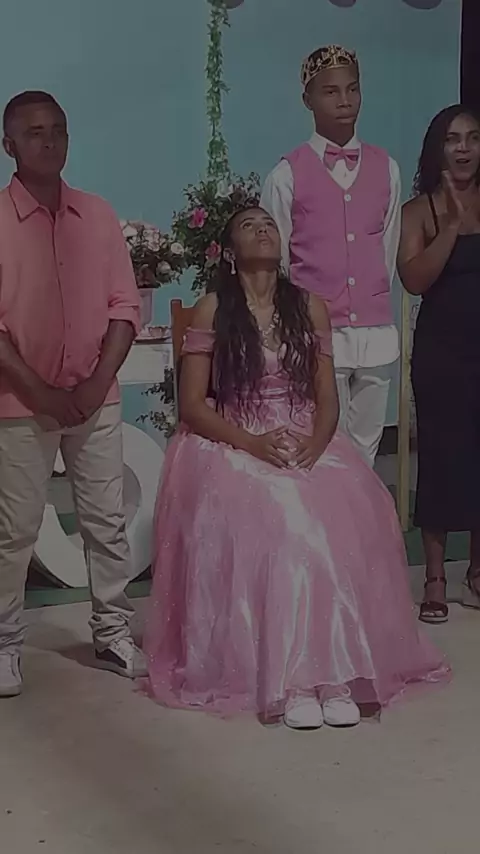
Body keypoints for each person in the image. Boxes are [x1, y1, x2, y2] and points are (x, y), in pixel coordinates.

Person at [144, 206, 448, 729]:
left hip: (302, 430)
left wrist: (316, 443)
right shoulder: (214, 308)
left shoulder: (309, 306)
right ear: (229, 251)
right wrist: (252, 443)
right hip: (234, 435)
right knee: (285, 520)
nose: (263, 229)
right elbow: (193, 405)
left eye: (268, 223)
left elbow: (327, 399)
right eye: (248, 226)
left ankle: (337, 672)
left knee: (343, 514)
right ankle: (293, 678)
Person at [0, 91, 147, 697]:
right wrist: (40, 392)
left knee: (106, 521)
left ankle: (112, 630)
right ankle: (5, 643)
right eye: (35, 132)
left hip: (95, 400)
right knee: (14, 530)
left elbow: (125, 306)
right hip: (18, 403)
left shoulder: (98, 214)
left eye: (58, 129)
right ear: (9, 145)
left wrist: (94, 383)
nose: (49, 141)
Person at [260, 45, 401, 466]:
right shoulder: (286, 174)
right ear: (308, 99)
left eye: (352, 89)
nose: (344, 101)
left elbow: (387, 246)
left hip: (375, 334)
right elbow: (276, 261)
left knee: (368, 449)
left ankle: (365, 511)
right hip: (318, 333)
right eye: (331, 91)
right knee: (328, 448)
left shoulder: (386, 168)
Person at [398, 105, 480, 624]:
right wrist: (449, 228)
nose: (464, 148)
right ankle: (433, 576)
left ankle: (477, 571)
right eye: (453, 139)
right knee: (441, 456)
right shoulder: (419, 211)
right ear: (438, 148)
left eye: (473, 138)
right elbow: (414, 280)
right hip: (441, 353)